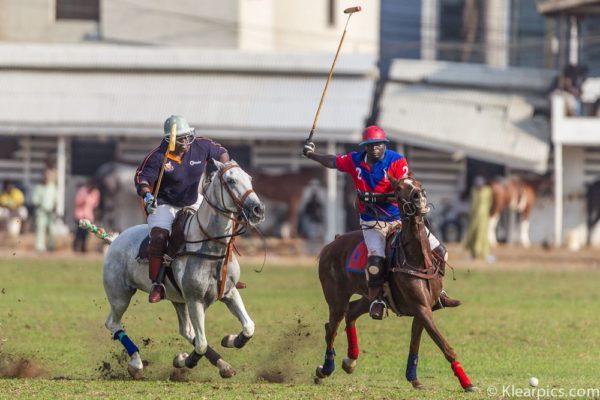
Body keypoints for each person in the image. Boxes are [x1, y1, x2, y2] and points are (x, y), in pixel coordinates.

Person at [303, 125, 459, 320]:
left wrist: (375, 198)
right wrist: (312, 154)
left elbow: (403, 190)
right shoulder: (355, 161)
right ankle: (377, 299)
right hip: (372, 222)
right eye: (371, 145)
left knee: (441, 251)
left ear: (385, 145)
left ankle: (439, 292)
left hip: (398, 220)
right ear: (365, 147)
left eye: (379, 144)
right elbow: (333, 161)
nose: (376, 148)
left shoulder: (397, 161)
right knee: (375, 261)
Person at [134, 115, 229, 303]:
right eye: (181, 138)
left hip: (193, 200)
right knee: (160, 236)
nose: (186, 141)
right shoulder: (157, 157)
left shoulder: (200, 146)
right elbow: (142, 180)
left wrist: (223, 169)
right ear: (170, 140)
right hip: (164, 203)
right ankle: (158, 283)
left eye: (188, 136)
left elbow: (222, 152)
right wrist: (147, 195)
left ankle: (226, 276)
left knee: (222, 224)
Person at [464, 176, 492, 260]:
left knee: (482, 235)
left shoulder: (487, 191)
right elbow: (473, 203)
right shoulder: (473, 191)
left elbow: (490, 203)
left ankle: (484, 254)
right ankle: (474, 254)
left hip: (483, 217)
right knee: (473, 234)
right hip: (474, 217)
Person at [32, 171, 58, 252]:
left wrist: (54, 207)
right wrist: (41, 206)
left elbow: (56, 199)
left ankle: (51, 246)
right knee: (40, 229)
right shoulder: (39, 188)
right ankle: (40, 248)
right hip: (41, 212)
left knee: (52, 229)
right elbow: (35, 200)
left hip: (51, 212)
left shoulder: (53, 188)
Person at [73, 179, 101, 252]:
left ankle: (83, 247)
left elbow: (95, 205)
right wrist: (84, 199)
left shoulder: (95, 193)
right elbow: (77, 202)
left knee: (85, 234)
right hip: (80, 215)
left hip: (88, 216)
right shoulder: (83, 191)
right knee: (79, 232)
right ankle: (76, 247)